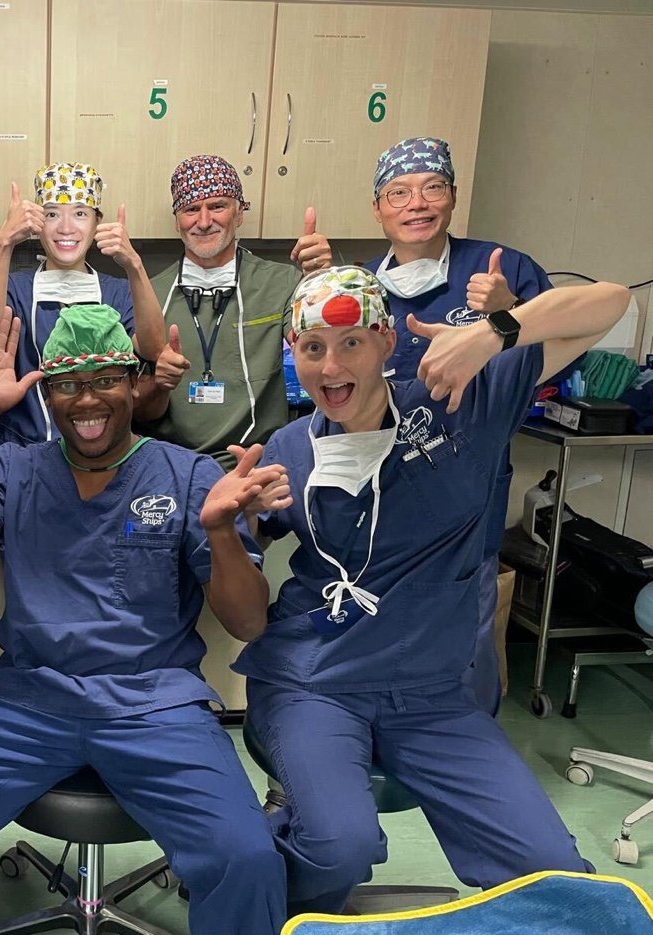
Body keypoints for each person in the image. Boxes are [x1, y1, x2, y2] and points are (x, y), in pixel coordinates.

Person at [0, 304, 288, 935]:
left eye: (105, 379)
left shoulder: (185, 474)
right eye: (66, 384)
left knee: (246, 856)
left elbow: (247, 623)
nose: (87, 399)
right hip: (27, 700)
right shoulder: (18, 467)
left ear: (134, 383)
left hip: (153, 704)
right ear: (48, 394)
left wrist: (222, 531)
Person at [237, 266, 628, 916]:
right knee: (339, 842)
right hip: (315, 680)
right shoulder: (288, 448)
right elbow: (241, 563)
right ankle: (271, 900)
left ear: (386, 343)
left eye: (351, 342)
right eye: (311, 348)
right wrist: (237, 520)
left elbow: (610, 302)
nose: (330, 366)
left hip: (431, 693)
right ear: (293, 358)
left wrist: (499, 330)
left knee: (556, 874)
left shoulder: (457, 399)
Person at [363, 136, 556, 714]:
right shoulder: (363, 287)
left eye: (432, 188)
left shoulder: (502, 269)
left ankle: (462, 743)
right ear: (378, 208)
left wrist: (506, 314)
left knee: (463, 620)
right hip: (380, 479)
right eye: (398, 192)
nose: (416, 204)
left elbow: (554, 354)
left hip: (466, 483)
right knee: (373, 611)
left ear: (452, 197)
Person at [135, 154, 332, 463]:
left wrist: (321, 280)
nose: (203, 221)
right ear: (177, 221)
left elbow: (325, 350)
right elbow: (135, 409)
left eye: (217, 206)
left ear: (239, 213)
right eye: (190, 209)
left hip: (259, 462)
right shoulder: (149, 295)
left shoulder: (281, 284)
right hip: (171, 466)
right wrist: (160, 383)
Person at [0, 162, 166, 446]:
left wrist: (133, 265)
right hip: (24, 452)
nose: (66, 228)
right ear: (37, 223)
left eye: (79, 213)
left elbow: (153, 347)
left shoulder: (118, 292)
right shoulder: (15, 288)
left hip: (102, 453)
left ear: (96, 221)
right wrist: (4, 242)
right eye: (52, 214)